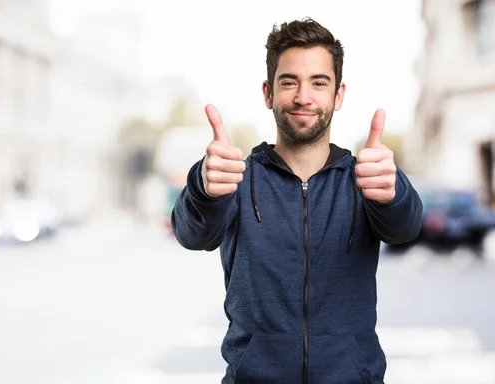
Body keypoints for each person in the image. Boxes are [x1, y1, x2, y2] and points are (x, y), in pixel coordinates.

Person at [171, 17, 423, 384]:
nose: (303, 97)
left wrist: (393, 191)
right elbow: (191, 234)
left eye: (319, 83)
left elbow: (406, 228)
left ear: (338, 95)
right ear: (268, 93)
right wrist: (202, 185)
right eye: (289, 82)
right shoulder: (237, 180)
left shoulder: (365, 180)